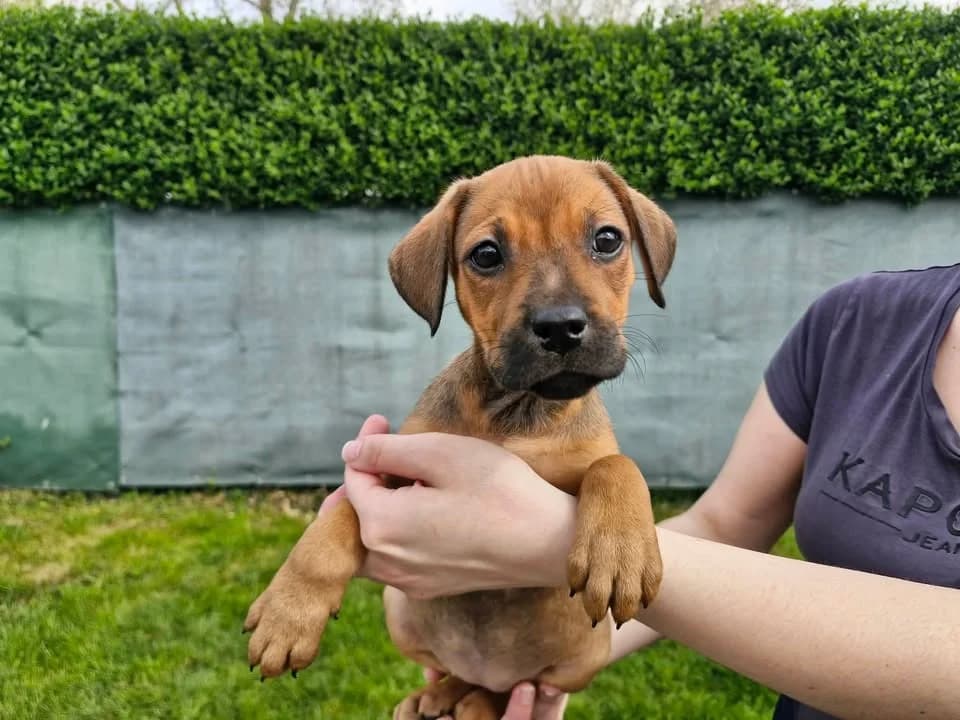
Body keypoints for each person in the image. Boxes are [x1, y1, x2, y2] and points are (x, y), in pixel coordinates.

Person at [323, 263, 960, 720]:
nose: (558, 305)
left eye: (604, 243)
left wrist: (544, 540)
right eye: (489, 259)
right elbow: (721, 526)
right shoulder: (858, 323)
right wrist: (536, 662)